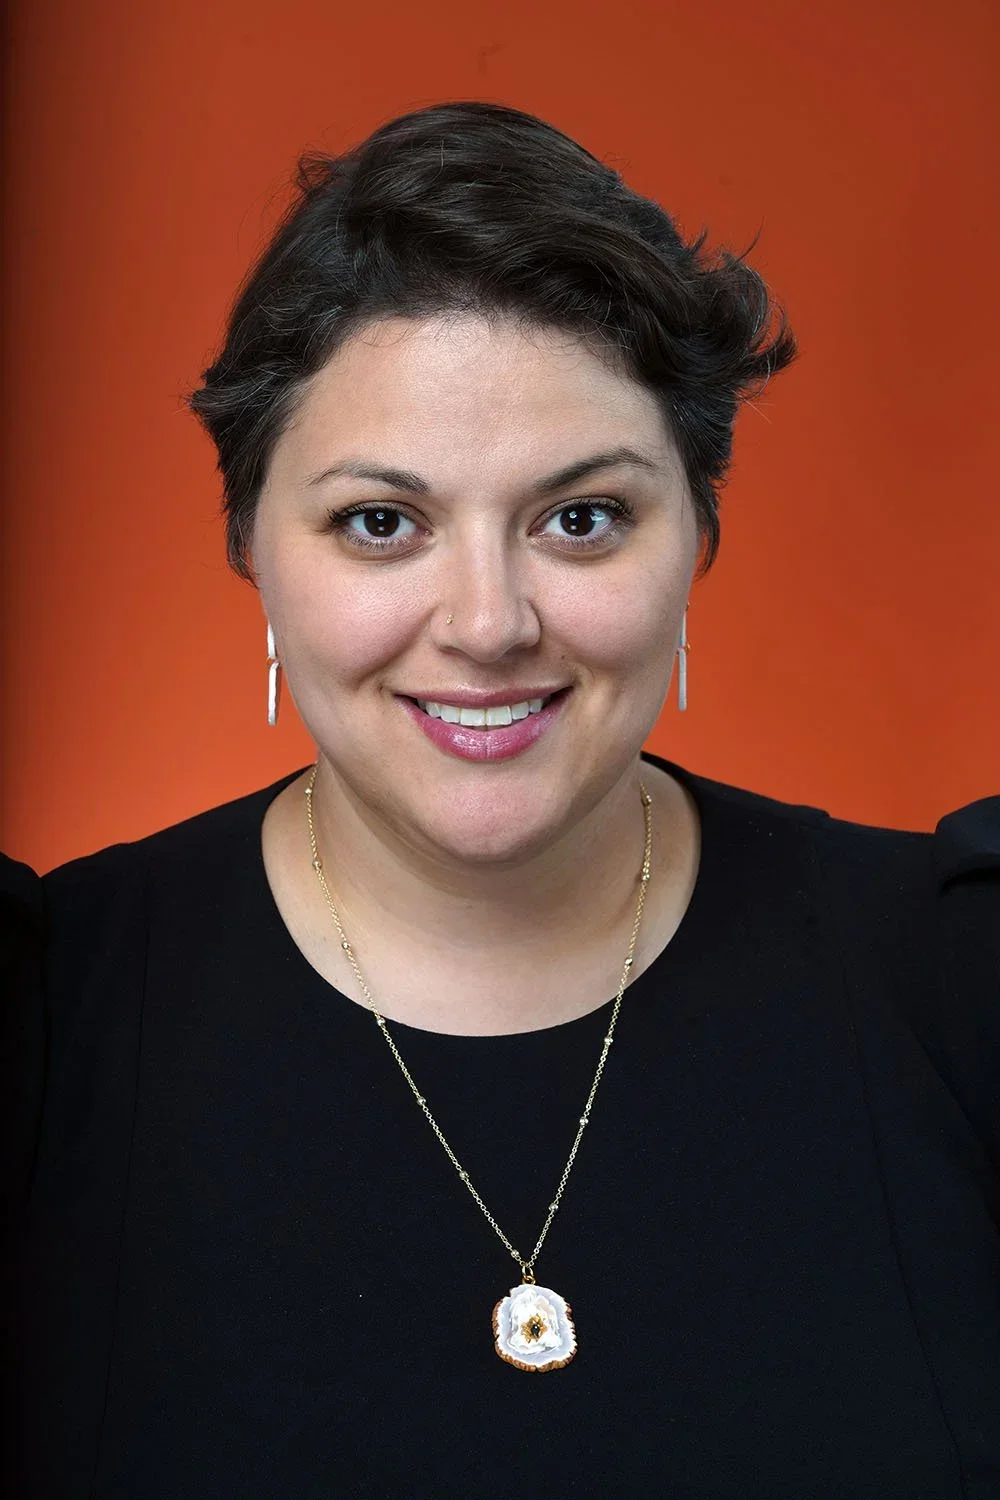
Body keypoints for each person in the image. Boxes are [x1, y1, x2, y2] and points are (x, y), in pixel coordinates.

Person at [6, 100, 999, 1499]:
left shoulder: (961, 979)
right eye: (381, 522)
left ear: (700, 534)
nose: (487, 624)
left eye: (580, 518)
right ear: (250, 548)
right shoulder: (47, 1016)